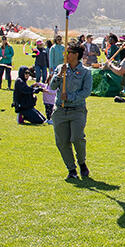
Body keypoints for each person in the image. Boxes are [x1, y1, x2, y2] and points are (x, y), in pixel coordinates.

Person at [49, 43, 93, 180]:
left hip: (77, 110)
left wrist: (70, 97)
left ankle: (82, 162)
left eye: (68, 52)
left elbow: (86, 92)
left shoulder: (86, 72)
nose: (65, 55)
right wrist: (59, 75)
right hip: (60, 110)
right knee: (62, 141)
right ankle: (71, 169)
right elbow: (52, 87)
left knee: (77, 138)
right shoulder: (60, 68)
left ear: (76, 55)